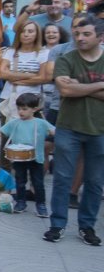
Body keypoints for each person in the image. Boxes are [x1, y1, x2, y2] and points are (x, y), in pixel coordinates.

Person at [45, 16, 104, 246]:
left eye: (86, 34)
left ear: (100, 37)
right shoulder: (66, 58)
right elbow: (66, 90)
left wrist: (79, 87)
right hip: (68, 127)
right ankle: (57, 225)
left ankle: (87, 226)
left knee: (95, 181)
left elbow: (72, 87)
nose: (80, 38)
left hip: (99, 129)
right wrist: (100, 85)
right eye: (78, 34)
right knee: (62, 178)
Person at [0, 92, 56, 216]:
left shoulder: (40, 123)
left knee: (38, 183)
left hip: (36, 157)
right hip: (19, 157)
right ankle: (20, 201)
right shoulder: (15, 122)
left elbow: (53, 131)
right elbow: (3, 131)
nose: (21, 112)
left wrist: (53, 132)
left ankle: (41, 204)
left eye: (24, 109)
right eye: (19, 108)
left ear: (34, 109)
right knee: (20, 180)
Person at [0, 20, 49, 127]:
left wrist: (13, 77)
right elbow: (2, 73)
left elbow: (43, 78)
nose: (26, 34)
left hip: (32, 100)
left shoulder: (43, 53)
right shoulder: (10, 52)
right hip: (9, 97)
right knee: (7, 135)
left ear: (37, 34)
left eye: (30, 31)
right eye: (23, 31)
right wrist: (30, 75)